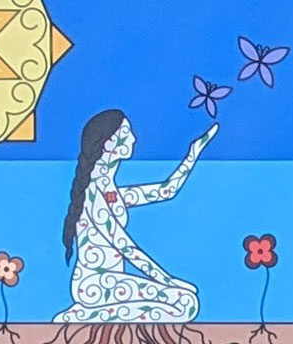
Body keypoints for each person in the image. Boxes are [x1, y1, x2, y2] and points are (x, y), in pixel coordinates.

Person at [58, 107, 212, 322]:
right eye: (127, 133)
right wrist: (168, 281)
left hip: (112, 281)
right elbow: (126, 247)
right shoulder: (92, 193)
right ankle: (82, 316)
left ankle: (89, 315)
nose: (134, 138)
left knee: (184, 301)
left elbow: (165, 191)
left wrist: (192, 155)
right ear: (110, 143)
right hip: (95, 285)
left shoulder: (110, 191)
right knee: (185, 303)